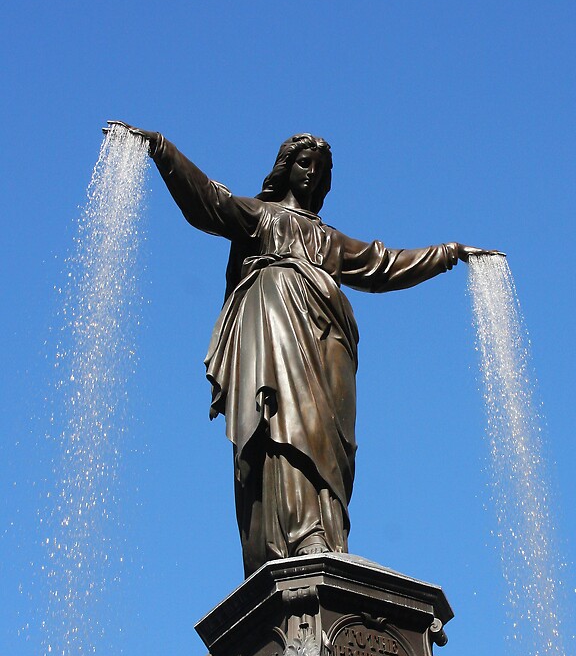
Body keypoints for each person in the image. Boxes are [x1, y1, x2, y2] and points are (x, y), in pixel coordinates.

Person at [106, 123, 501, 576]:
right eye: (304, 163)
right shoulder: (263, 218)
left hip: (330, 342)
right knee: (287, 426)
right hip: (277, 330)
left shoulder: (329, 240)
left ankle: (330, 534)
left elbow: (386, 265)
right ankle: (299, 533)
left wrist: (448, 253)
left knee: (330, 439)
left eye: (322, 168)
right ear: (286, 168)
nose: (312, 173)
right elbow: (209, 202)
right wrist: (161, 149)